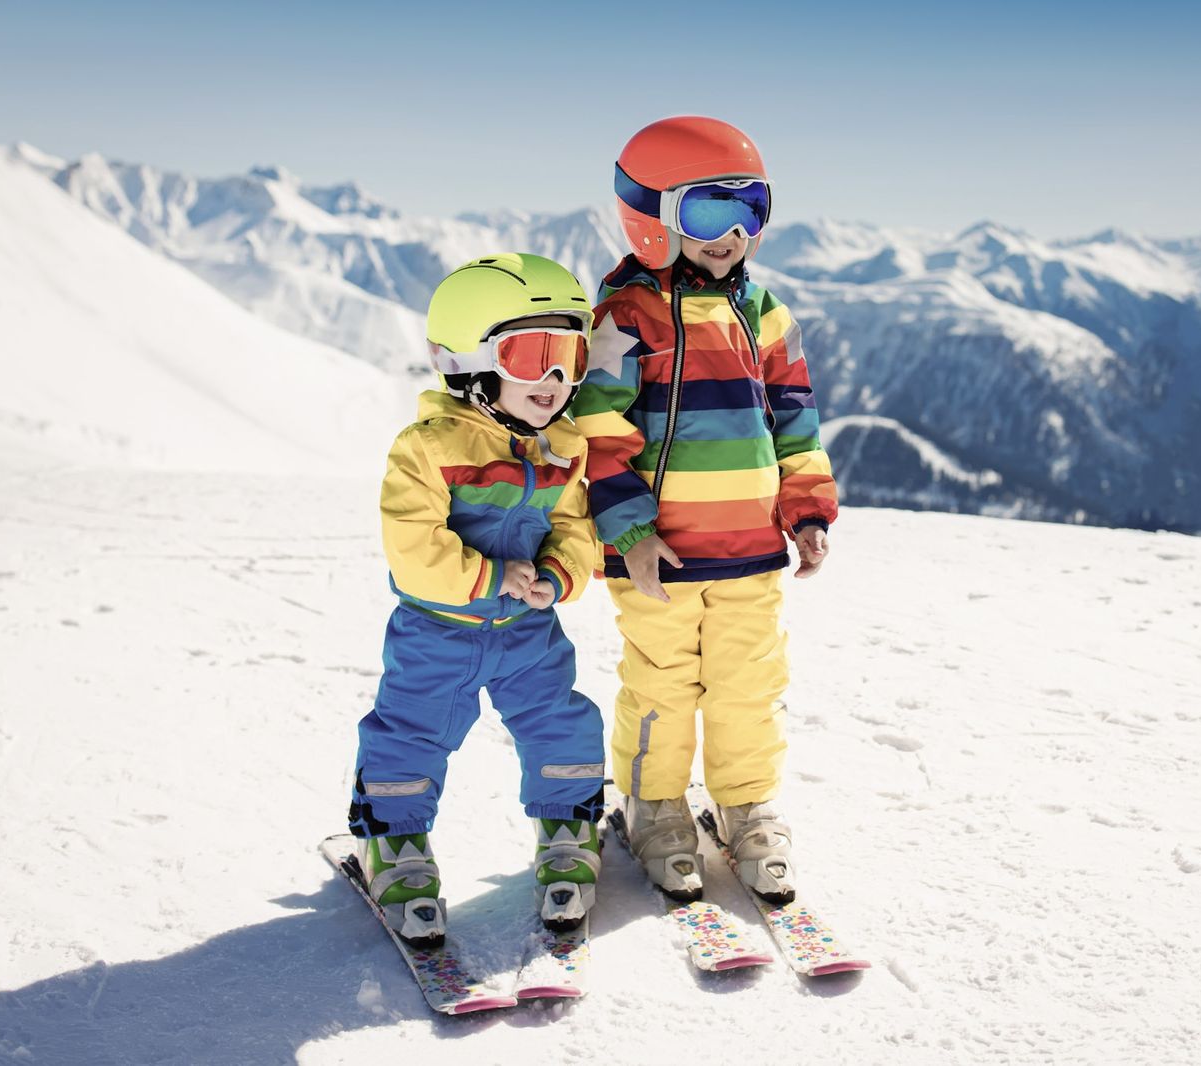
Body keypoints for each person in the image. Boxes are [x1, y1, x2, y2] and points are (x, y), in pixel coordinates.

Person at [572, 116, 838, 905]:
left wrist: (808, 511)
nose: (729, 234)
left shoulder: (765, 313)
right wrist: (629, 529)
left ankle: (746, 806)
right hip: (659, 555)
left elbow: (796, 421)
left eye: (748, 209)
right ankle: (654, 809)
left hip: (750, 551)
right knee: (662, 686)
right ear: (651, 217)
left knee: (747, 685)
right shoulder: (629, 316)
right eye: (704, 212)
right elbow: (599, 430)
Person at [346, 253, 605, 945]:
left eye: (569, 356)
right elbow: (414, 547)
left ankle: (568, 828)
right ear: (467, 363)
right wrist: (492, 576)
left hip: (529, 632)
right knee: (410, 736)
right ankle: (394, 845)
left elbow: (577, 528)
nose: (554, 380)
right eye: (531, 355)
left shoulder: (562, 448)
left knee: (562, 722)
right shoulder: (427, 450)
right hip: (439, 632)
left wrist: (557, 574)